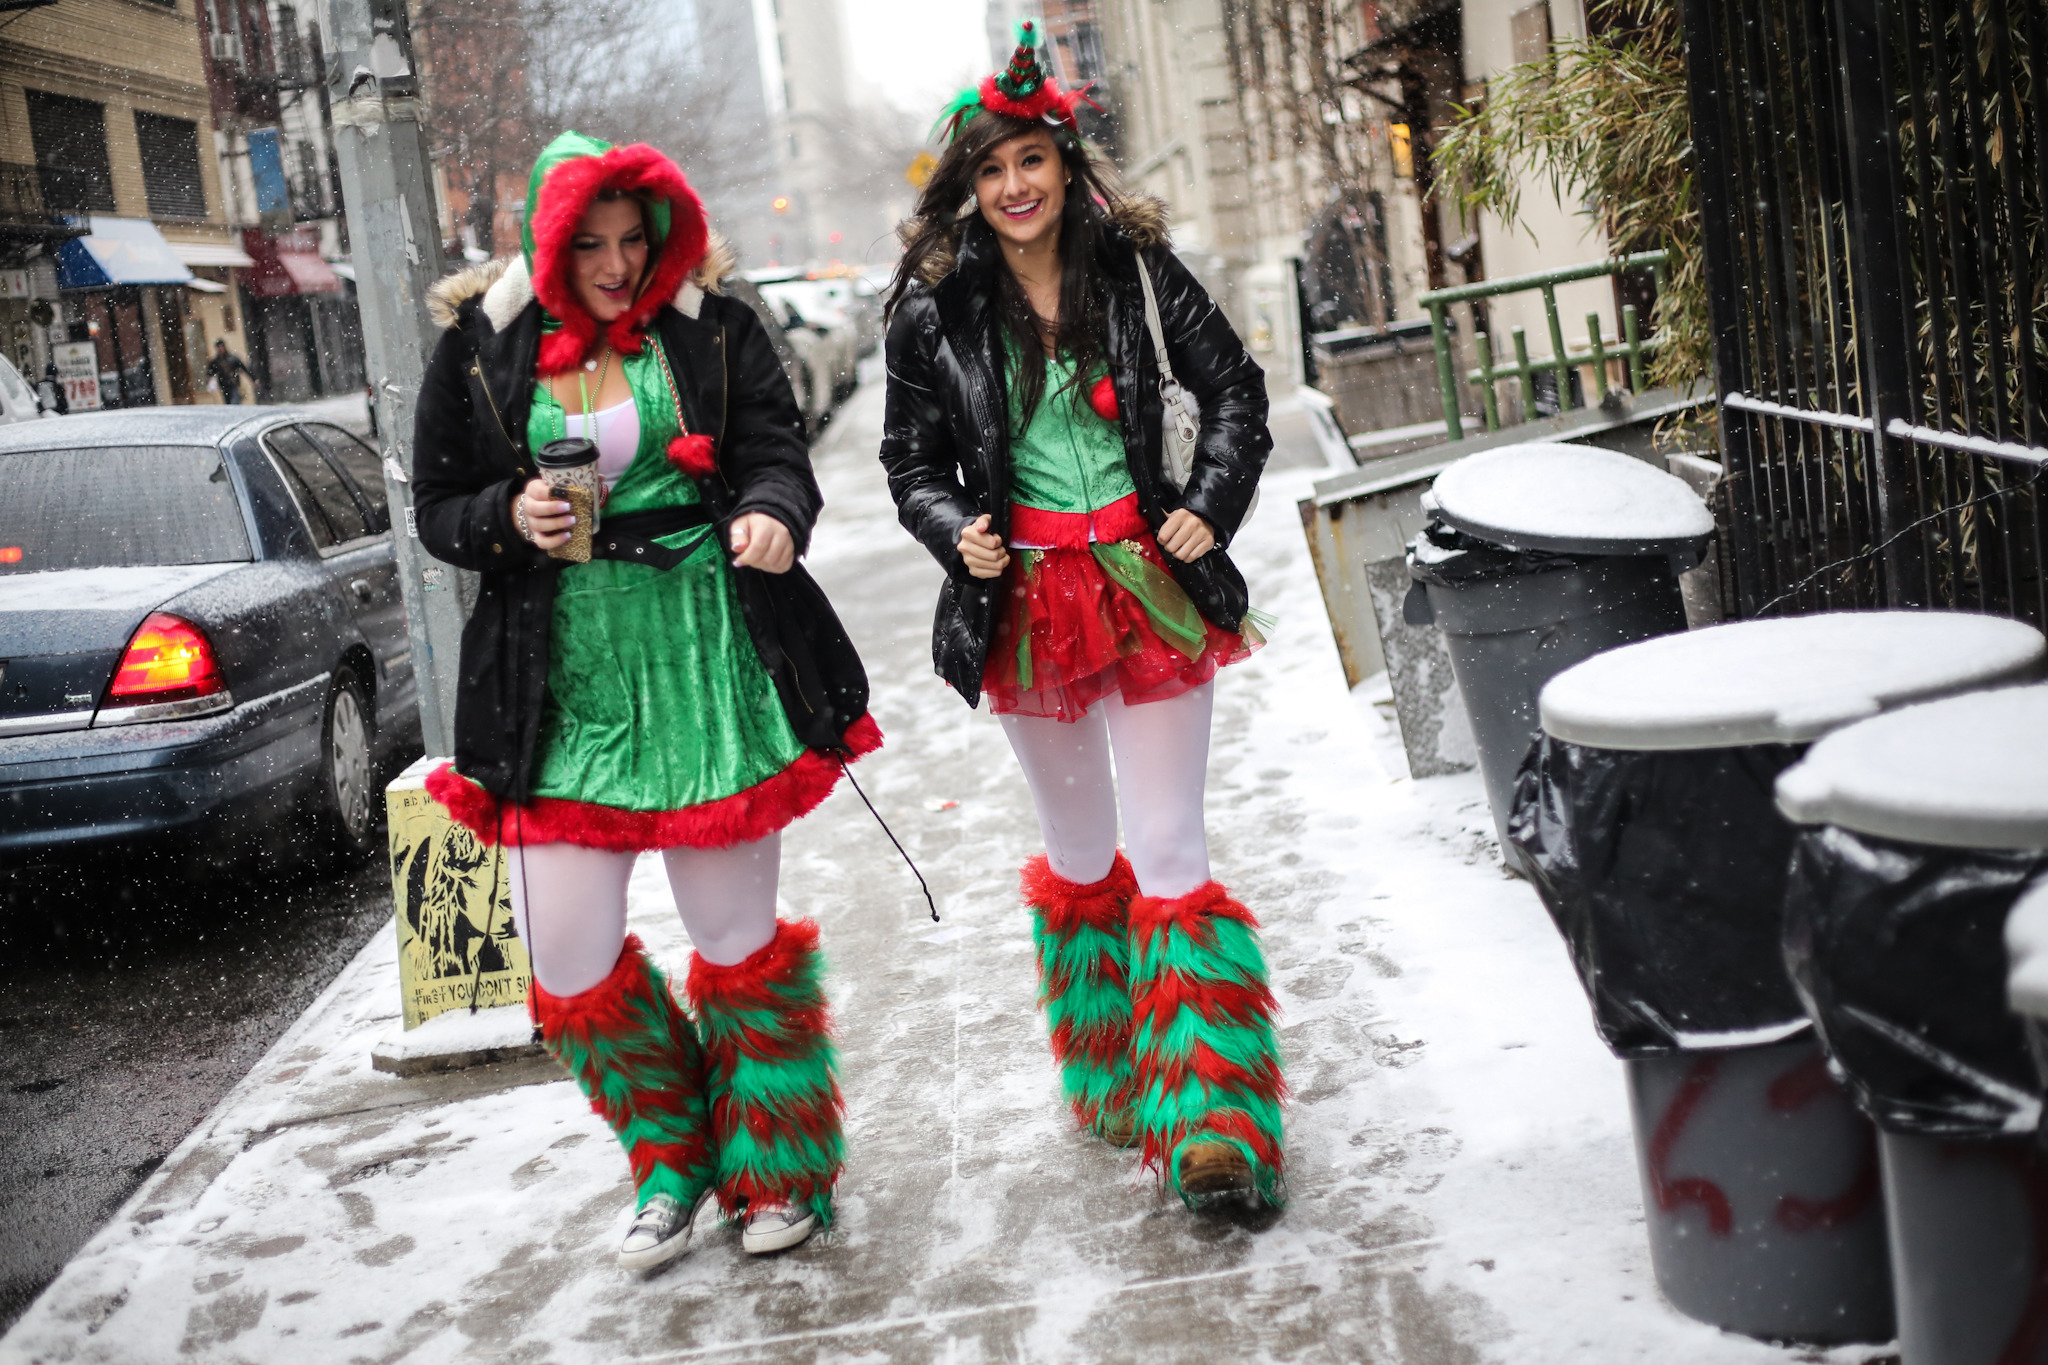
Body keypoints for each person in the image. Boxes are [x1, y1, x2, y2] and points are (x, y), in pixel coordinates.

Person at [411, 130, 878, 1269]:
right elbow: (438, 502)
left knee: (734, 943)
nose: (618, 266)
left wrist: (771, 513)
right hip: (555, 681)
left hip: (701, 653)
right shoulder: (481, 345)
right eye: (593, 245)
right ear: (548, 241)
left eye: (635, 241)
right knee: (565, 958)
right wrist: (505, 520)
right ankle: (669, 1159)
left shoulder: (711, 325)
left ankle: (775, 1167)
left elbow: (778, 449)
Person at [878, 25, 1285, 1212]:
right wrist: (953, 527)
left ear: (1064, 163)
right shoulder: (935, 310)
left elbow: (1233, 394)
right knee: (1078, 855)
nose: (1013, 189)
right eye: (989, 170)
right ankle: (1112, 1066)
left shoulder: (1139, 272)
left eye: (1030, 164)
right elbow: (907, 459)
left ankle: (1212, 1119)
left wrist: (1209, 503)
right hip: (1024, 605)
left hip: (1144, 581)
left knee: (1169, 849)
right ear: (969, 186)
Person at [204, 339, 253, 404]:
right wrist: (211, 380)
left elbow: (244, 368)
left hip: (234, 383)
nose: (221, 349)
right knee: (228, 402)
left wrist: (253, 379)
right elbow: (210, 373)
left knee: (235, 401)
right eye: (219, 347)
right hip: (224, 385)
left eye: (222, 347)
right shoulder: (216, 361)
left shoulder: (233, 358)